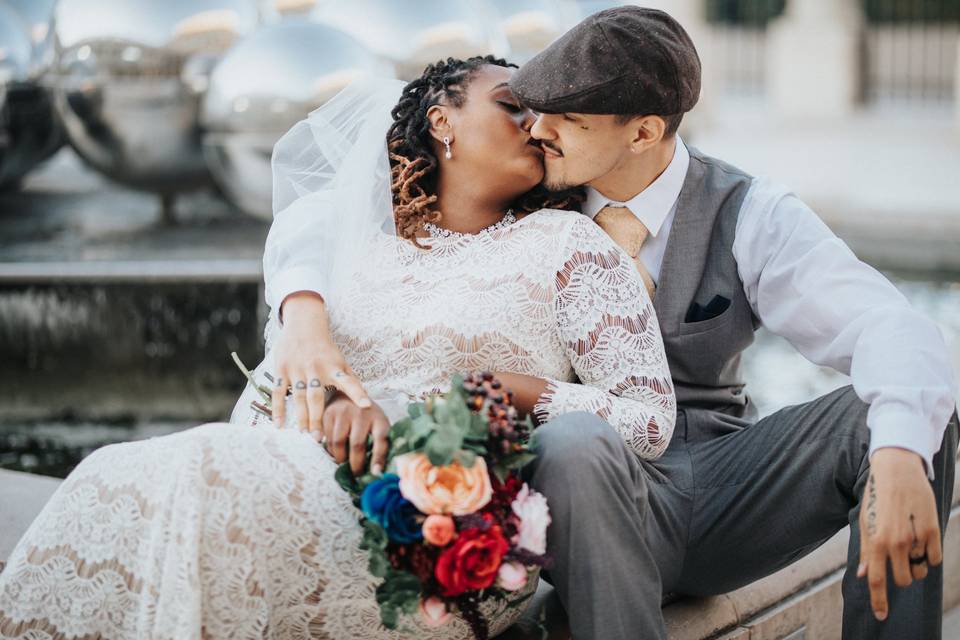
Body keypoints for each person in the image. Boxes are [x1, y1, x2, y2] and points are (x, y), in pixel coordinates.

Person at [271, 8, 959, 640]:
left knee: (902, 416)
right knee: (574, 441)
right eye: (536, 111)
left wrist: (897, 453)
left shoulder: (750, 213)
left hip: (722, 488)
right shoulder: (523, 196)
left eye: (566, 118)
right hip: (579, 491)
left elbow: (890, 325)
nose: (539, 129)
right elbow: (324, 213)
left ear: (643, 131)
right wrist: (303, 313)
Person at [0, 57, 676, 639]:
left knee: (202, 474)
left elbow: (648, 424)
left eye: (545, 117)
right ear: (441, 121)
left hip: (449, 533)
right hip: (307, 482)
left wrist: (494, 387)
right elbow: (284, 388)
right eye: (511, 107)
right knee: (114, 474)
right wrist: (327, 404)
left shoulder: (570, 247)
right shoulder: (353, 256)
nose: (535, 125)